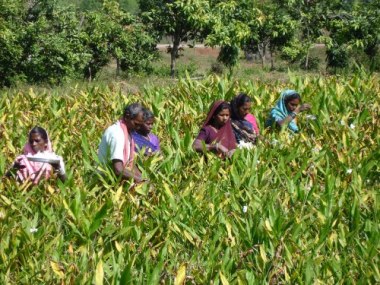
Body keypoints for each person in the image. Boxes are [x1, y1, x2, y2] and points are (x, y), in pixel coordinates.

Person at [98, 103, 145, 182]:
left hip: (116, 179)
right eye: (136, 124)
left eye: (141, 125)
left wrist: (143, 179)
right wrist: (139, 180)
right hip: (105, 180)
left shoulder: (128, 133)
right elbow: (118, 169)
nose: (138, 128)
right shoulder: (117, 134)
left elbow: (130, 163)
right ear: (127, 117)